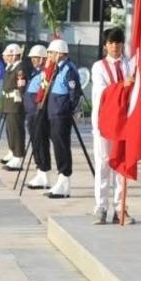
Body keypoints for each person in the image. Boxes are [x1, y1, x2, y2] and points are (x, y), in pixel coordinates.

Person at [91, 28, 134, 225]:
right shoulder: (99, 67)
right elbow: (101, 93)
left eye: (118, 42)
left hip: (124, 123)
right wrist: (122, 87)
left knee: (121, 166)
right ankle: (101, 207)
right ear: (105, 45)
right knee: (103, 164)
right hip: (104, 122)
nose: (115, 46)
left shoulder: (129, 64)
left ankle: (120, 208)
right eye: (111, 43)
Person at [44, 39, 81, 199]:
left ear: (59, 53)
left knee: (62, 147)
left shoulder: (69, 70)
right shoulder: (58, 69)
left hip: (61, 115)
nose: (49, 55)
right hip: (54, 113)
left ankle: (65, 180)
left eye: (51, 52)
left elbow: (74, 95)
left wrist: (67, 111)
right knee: (58, 147)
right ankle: (60, 179)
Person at [23, 45, 52, 190]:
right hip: (31, 115)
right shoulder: (35, 73)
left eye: (36, 58)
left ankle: (44, 172)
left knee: (41, 143)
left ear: (42, 58)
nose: (33, 60)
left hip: (38, 114)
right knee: (36, 144)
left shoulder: (44, 74)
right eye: (32, 58)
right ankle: (40, 172)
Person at [0, 44, 27, 170]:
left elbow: (21, 86)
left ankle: (18, 156)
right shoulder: (10, 67)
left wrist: (20, 99)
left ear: (15, 55)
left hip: (16, 103)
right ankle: (12, 151)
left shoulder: (20, 68)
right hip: (8, 103)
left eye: (8, 55)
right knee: (10, 130)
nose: (5, 58)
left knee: (17, 130)